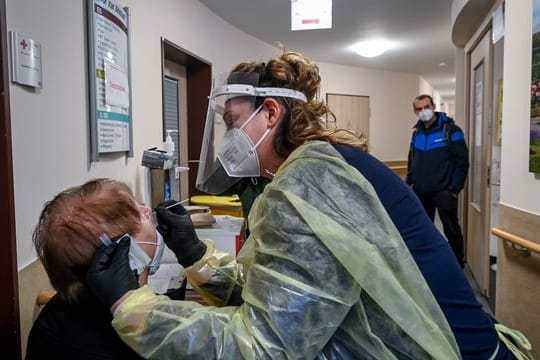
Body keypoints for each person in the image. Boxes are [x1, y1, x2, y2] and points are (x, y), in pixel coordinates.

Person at [86, 53, 529, 359]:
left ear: (271, 113)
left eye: (234, 123)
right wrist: (196, 256)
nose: (229, 141)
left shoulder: (309, 181)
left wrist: (132, 307)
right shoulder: (320, 166)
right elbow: (288, 292)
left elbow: (264, 347)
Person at [26, 179, 179, 360]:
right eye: (141, 215)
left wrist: (194, 254)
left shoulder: (56, 316)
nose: (148, 211)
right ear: (127, 253)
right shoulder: (133, 342)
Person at [406, 94, 469, 268]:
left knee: (451, 229)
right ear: (414, 111)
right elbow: (412, 160)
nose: (423, 111)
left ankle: (457, 265)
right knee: (423, 229)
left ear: (433, 106)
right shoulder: (416, 133)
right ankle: (428, 263)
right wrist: (408, 185)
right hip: (420, 191)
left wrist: (453, 189)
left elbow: (462, 162)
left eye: (426, 107)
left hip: (444, 192)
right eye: (419, 109)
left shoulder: (451, 130)